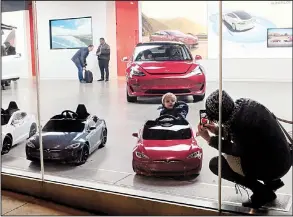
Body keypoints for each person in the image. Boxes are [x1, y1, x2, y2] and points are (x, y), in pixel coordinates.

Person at [196, 90, 292, 209]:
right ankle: (272, 183)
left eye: (215, 119)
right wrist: (216, 130)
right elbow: (246, 137)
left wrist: (210, 139)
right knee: (256, 151)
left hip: (275, 168)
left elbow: (236, 149)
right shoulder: (244, 105)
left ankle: (263, 193)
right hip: (283, 156)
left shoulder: (239, 125)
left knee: (216, 164)